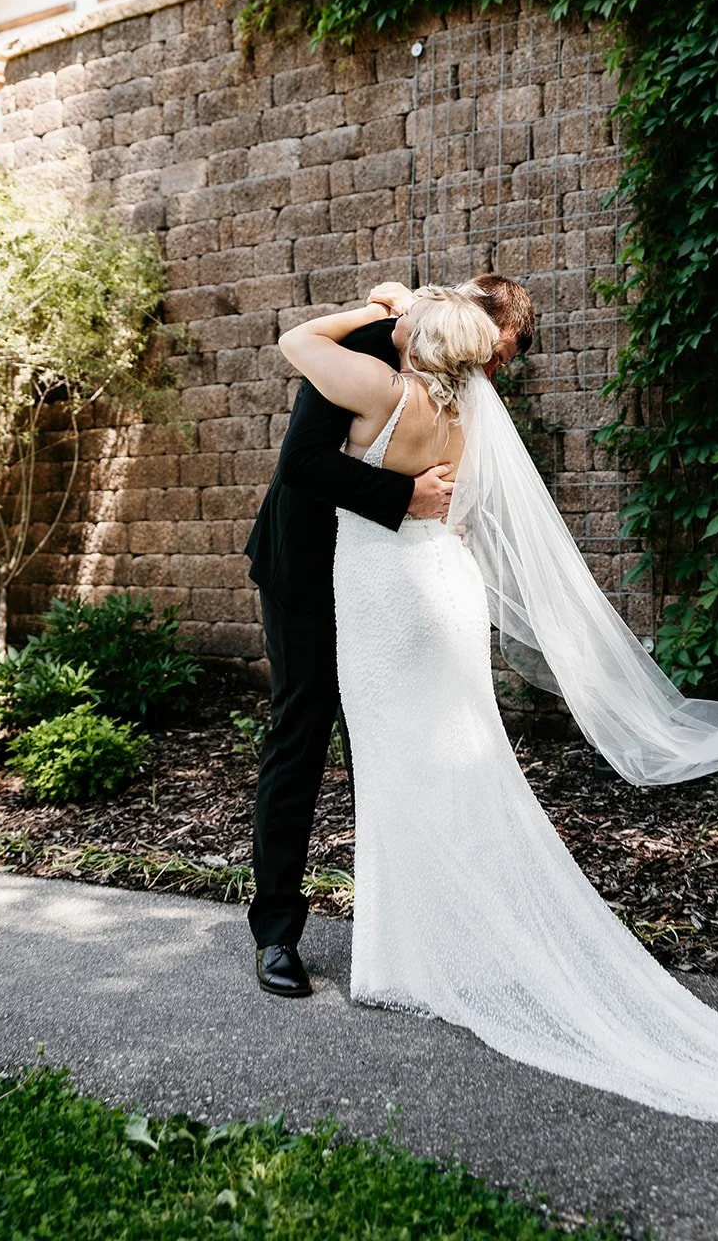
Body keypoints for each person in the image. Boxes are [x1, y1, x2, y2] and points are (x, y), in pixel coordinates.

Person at [275, 283, 718, 1142]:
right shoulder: (476, 412)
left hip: (384, 595)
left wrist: (373, 309)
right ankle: (441, 946)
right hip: (445, 588)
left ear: (417, 339)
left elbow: (296, 341)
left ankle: (410, 960)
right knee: (457, 764)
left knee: (394, 768)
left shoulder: (381, 386)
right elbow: (452, 508)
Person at [244, 275, 535, 998]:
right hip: (307, 571)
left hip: (389, 582)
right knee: (301, 731)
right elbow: (302, 464)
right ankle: (276, 933)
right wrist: (405, 496)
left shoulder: (457, 382)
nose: (492, 372)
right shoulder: (368, 346)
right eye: (495, 353)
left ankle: (409, 929)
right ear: (466, 323)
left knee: (403, 743)